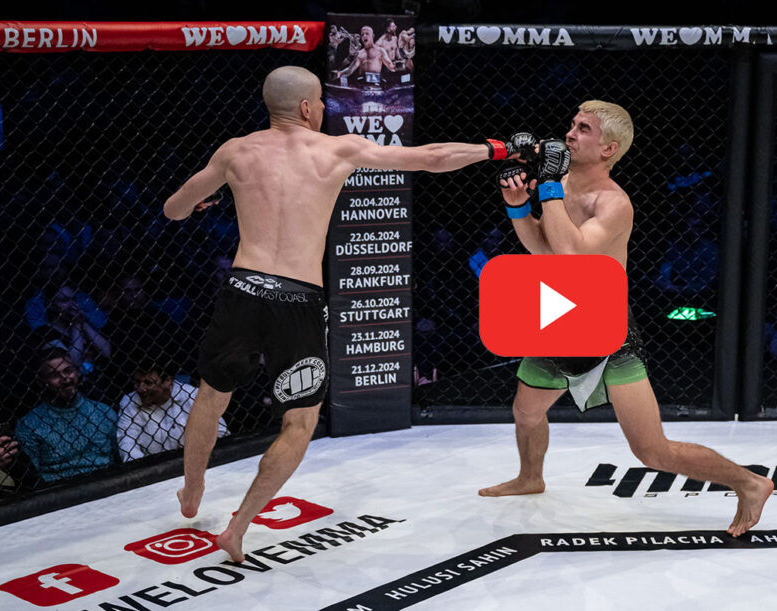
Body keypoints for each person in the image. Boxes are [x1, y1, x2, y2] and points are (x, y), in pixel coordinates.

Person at [164, 65, 519, 562]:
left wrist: (202, 201)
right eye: (320, 104)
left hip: (243, 288)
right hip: (298, 298)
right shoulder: (336, 149)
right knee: (299, 423)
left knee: (211, 394)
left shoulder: (235, 151)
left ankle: (192, 491)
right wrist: (497, 149)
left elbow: (173, 209)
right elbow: (431, 157)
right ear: (307, 107)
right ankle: (238, 528)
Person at [479, 101, 774, 537]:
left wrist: (547, 188)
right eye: (572, 124)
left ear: (608, 149)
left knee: (651, 451)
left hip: (605, 328)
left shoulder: (614, 203)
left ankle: (750, 482)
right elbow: (545, 250)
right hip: (559, 318)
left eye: (584, 129)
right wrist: (519, 208)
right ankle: (530, 477)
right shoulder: (561, 186)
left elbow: (573, 256)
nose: (570, 134)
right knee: (525, 411)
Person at [16, 348, 118, 483]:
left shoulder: (103, 412)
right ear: (42, 382)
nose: (65, 378)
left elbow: (120, 458)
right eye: (54, 375)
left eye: (68, 370)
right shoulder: (29, 424)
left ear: (77, 372)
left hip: (107, 483)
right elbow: (31, 477)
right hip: (57, 490)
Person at [117, 359, 227, 462]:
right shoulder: (129, 403)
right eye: (137, 382)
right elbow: (127, 445)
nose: (141, 388)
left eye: (148, 383)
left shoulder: (193, 395)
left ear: (167, 381)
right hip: (153, 467)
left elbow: (220, 433)